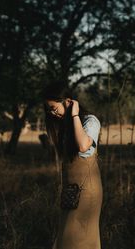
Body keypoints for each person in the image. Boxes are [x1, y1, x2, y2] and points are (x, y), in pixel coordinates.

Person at [43, 82, 102, 249]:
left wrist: (75, 115)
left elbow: (84, 146)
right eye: (48, 109)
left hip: (87, 191)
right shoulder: (64, 126)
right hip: (70, 191)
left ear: (68, 102)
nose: (51, 113)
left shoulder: (90, 121)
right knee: (65, 239)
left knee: (78, 239)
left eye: (54, 108)